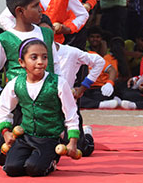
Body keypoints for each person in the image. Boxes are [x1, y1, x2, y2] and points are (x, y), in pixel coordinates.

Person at [0, 0, 60, 167]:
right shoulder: (5, 39)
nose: (41, 9)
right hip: (18, 103)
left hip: (46, 103)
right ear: (20, 11)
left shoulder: (46, 34)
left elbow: (56, 66)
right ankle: (1, 143)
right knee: (6, 160)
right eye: (35, 6)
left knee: (39, 160)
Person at [0, 38, 81, 177]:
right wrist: (6, 132)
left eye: (44, 57)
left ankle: (52, 160)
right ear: (21, 62)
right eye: (34, 57)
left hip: (49, 137)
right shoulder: (15, 83)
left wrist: (72, 142)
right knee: (11, 169)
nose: (41, 62)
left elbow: (71, 114)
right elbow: (4, 109)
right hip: (25, 135)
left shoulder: (59, 83)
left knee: (34, 169)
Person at [39, 15, 104, 157]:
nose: (43, 36)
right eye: (37, 32)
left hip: (66, 107)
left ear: (53, 31)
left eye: (46, 31)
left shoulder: (70, 52)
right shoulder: (30, 56)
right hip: (41, 109)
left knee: (82, 149)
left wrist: (83, 87)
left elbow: (99, 61)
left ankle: (86, 133)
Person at [79, 28, 124, 109]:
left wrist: (109, 83)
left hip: (99, 89)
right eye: (92, 37)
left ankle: (106, 101)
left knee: (99, 95)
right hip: (83, 89)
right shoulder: (69, 56)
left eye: (97, 37)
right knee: (73, 98)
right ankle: (101, 104)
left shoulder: (92, 55)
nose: (95, 39)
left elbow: (112, 70)